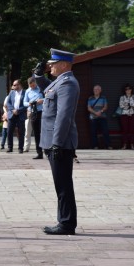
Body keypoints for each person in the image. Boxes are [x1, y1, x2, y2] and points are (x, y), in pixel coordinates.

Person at [40, 48, 80, 235]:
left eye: (53, 64)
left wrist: (57, 143)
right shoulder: (60, 82)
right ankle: (65, 221)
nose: (50, 66)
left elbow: (63, 116)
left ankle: (66, 223)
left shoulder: (67, 84)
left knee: (63, 185)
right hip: (55, 142)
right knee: (61, 184)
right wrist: (37, 75)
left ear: (63, 65)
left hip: (60, 143)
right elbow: (47, 89)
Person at [23, 77, 44, 159]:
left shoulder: (41, 89)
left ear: (35, 82)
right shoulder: (27, 91)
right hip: (33, 112)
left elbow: (48, 98)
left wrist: (42, 100)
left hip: (41, 111)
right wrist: (29, 103)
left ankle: (47, 150)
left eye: (33, 85)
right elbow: (24, 102)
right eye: (31, 86)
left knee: (44, 131)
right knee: (36, 133)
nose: (32, 87)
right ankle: (39, 152)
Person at [87, 85, 112, 149]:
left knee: (105, 131)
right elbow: (89, 108)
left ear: (100, 91)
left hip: (102, 117)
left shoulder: (103, 98)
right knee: (93, 132)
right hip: (93, 117)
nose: (95, 90)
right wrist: (95, 113)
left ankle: (108, 145)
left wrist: (101, 111)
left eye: (97, 89)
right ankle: (95, 146)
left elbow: (105, 106)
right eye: (94, 89)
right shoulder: (90, 98)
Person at [6, 79, 27, 153]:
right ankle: (10, 147)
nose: (13, 86)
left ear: (19, 85)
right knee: (9, 131)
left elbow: (26, 104)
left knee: (21, 132)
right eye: (13, 85)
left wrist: (18, 110)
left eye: (15, 85)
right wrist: (13, 110)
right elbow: (8, 103)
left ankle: (20, 148)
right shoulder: (12, 92)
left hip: (20, 115)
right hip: (12, 114)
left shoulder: (25, 93)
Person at [118, 84, 134, 150]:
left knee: (132, 130)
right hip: (124, 115)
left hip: (133, 115)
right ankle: (124, 145)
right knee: (125, 130)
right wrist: (131, 105)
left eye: (129, 89)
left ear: (131, 90)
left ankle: (132, 145)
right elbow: (121, 105)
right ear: (125, 90)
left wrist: (127, 104)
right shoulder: (122, 97)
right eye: (126, 89)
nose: (128, 90)